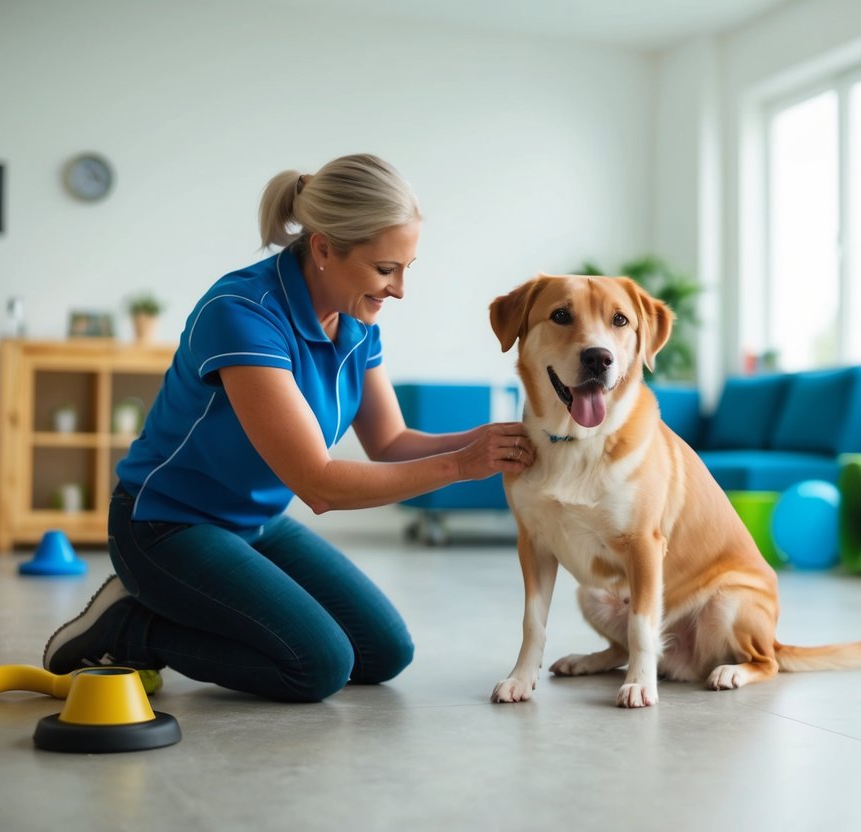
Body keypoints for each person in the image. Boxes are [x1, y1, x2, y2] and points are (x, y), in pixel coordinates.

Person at [42, 154, 535, 702]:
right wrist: (462, 466)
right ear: (324, 247)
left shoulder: (357, 319)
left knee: (384, 653)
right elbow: (319, 486)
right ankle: (131, 629)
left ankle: (168, 611)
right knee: (317, 666)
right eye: (384, 269)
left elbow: (390, 443)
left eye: (406, 268)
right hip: (165, 525)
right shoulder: (243, 312)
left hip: (254, 522)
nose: (398, 290)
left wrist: (493, 440)